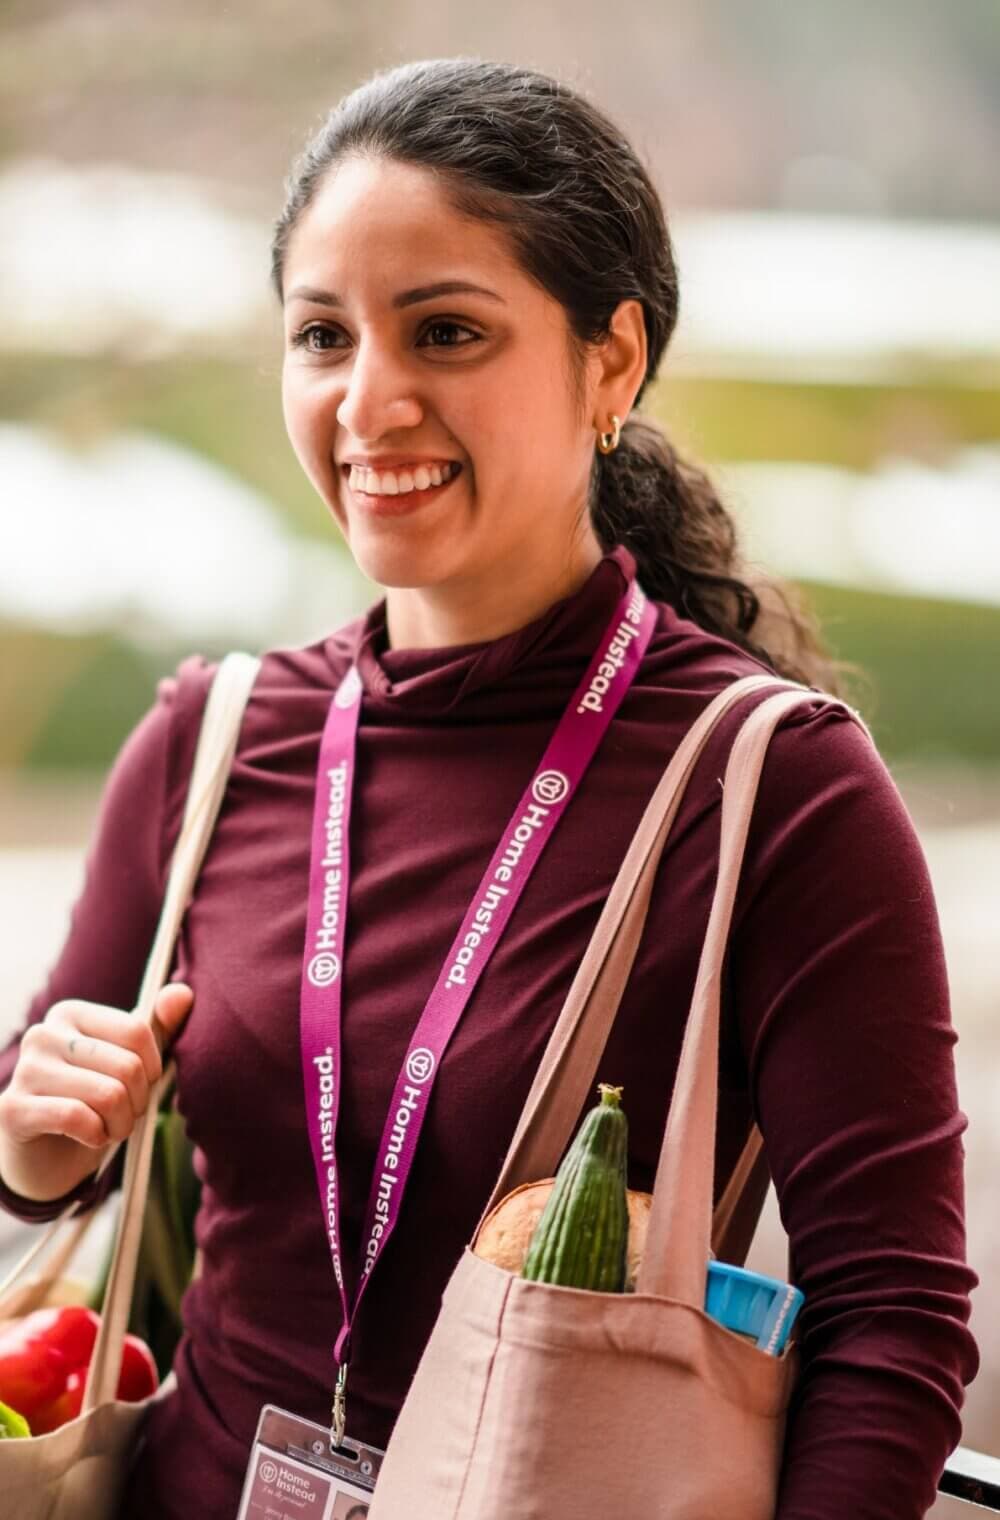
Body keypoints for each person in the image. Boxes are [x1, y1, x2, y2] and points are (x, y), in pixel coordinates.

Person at [0, 57, 978, 1520]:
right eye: (322, 334)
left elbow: (892, 1323)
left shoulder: (775, 789)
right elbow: (43, 1149)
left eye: (446, 331)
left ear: (612, 362)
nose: (368, 402)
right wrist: (35, 1141)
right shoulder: (212, 744)